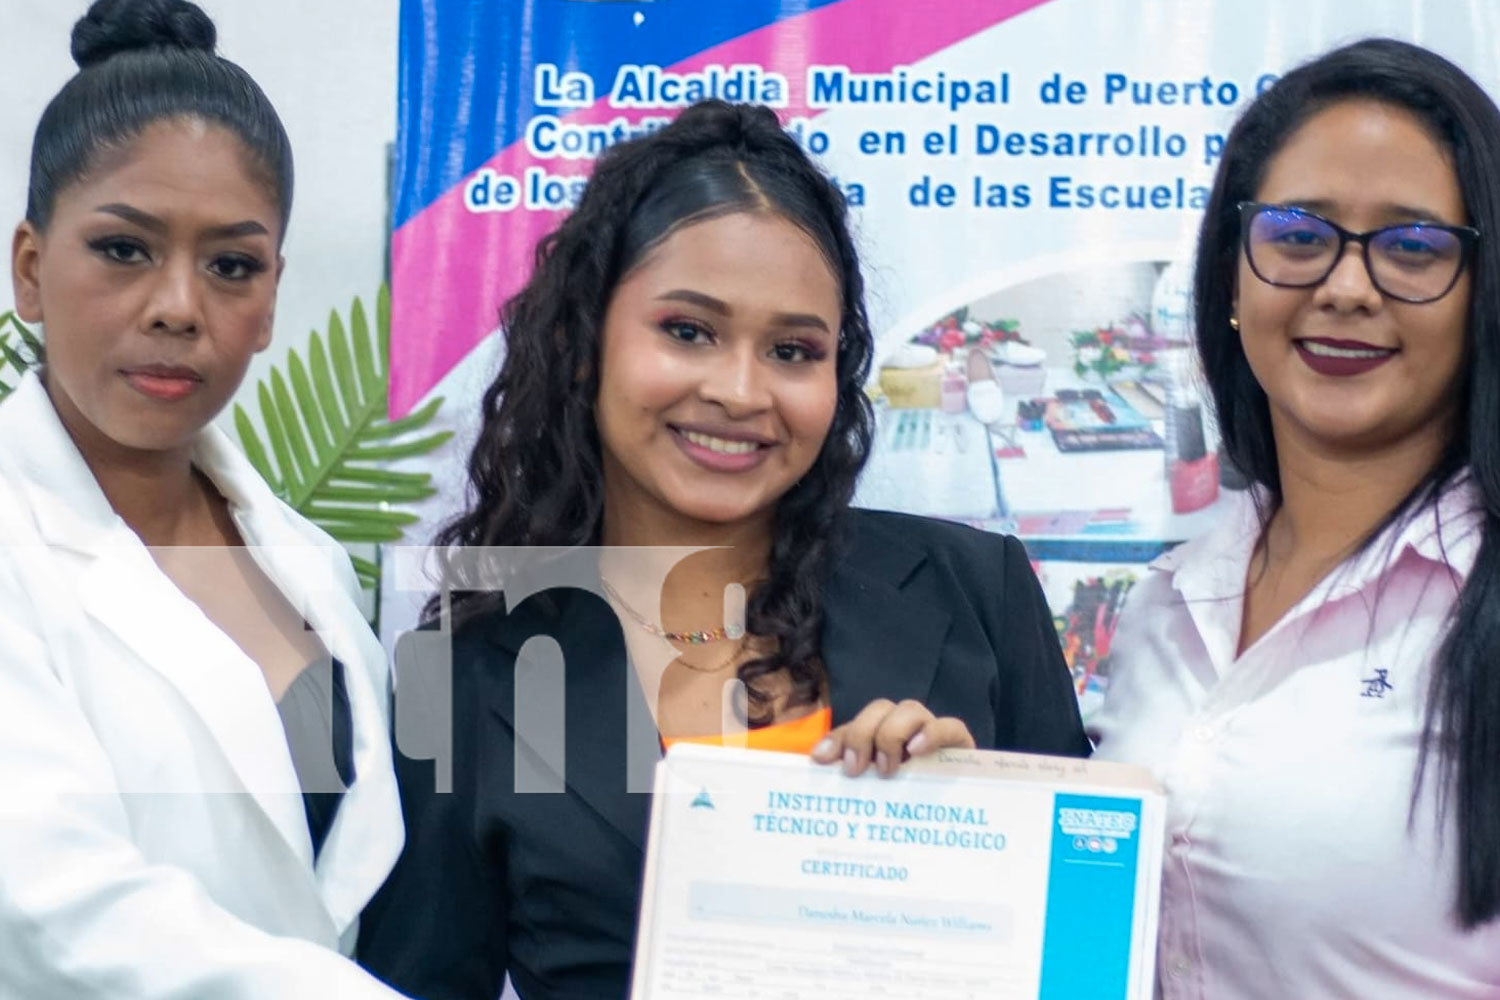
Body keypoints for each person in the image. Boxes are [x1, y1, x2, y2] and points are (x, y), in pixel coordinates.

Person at [356, 99, 1089, 998]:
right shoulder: (466, 679)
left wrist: (981, 819)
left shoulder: (977, 592)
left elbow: (1089, 954)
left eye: (792, 349)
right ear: (582, 342)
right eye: (688, 331)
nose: (740, 391)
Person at [0, 1, 409, 995]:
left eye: (230, 265)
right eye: (125, 249)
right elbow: (57, 902)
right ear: (30, 271)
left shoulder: (296, 553)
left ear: (269, 298)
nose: (180, 305)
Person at [1091, 38, 1500, 998]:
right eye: (1297, 234)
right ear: (1234, 277)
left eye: (1413, 247)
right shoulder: (1168, 604)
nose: (1346, 287)